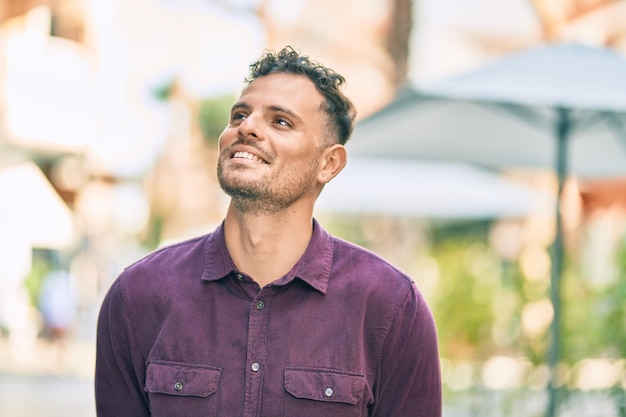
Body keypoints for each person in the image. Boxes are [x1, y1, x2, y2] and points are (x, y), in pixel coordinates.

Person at [95, 46, 441, 417]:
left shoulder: (391, 307)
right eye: (239, 115)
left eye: (280, 121)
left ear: (328, 163)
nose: (246, 127)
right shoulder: (137, 296)